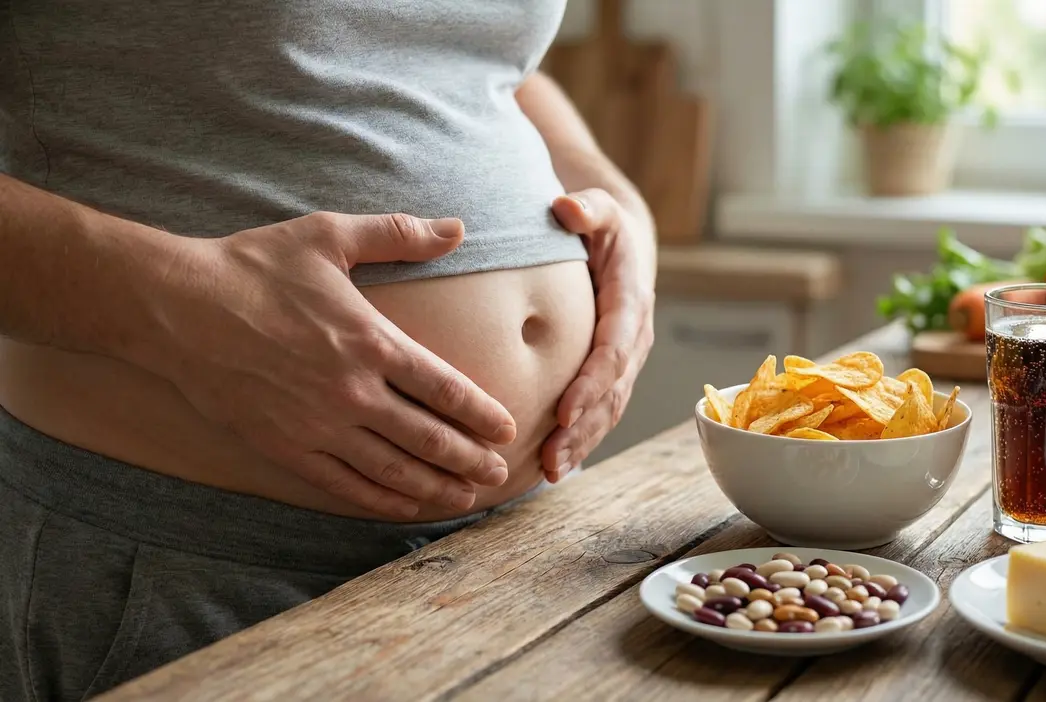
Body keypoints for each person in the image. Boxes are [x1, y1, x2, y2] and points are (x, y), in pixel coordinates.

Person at [0, 0, 657, 698]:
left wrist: (614, 200)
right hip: (204, 556)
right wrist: (177, 302)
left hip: (535, 533)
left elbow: (483, 60)